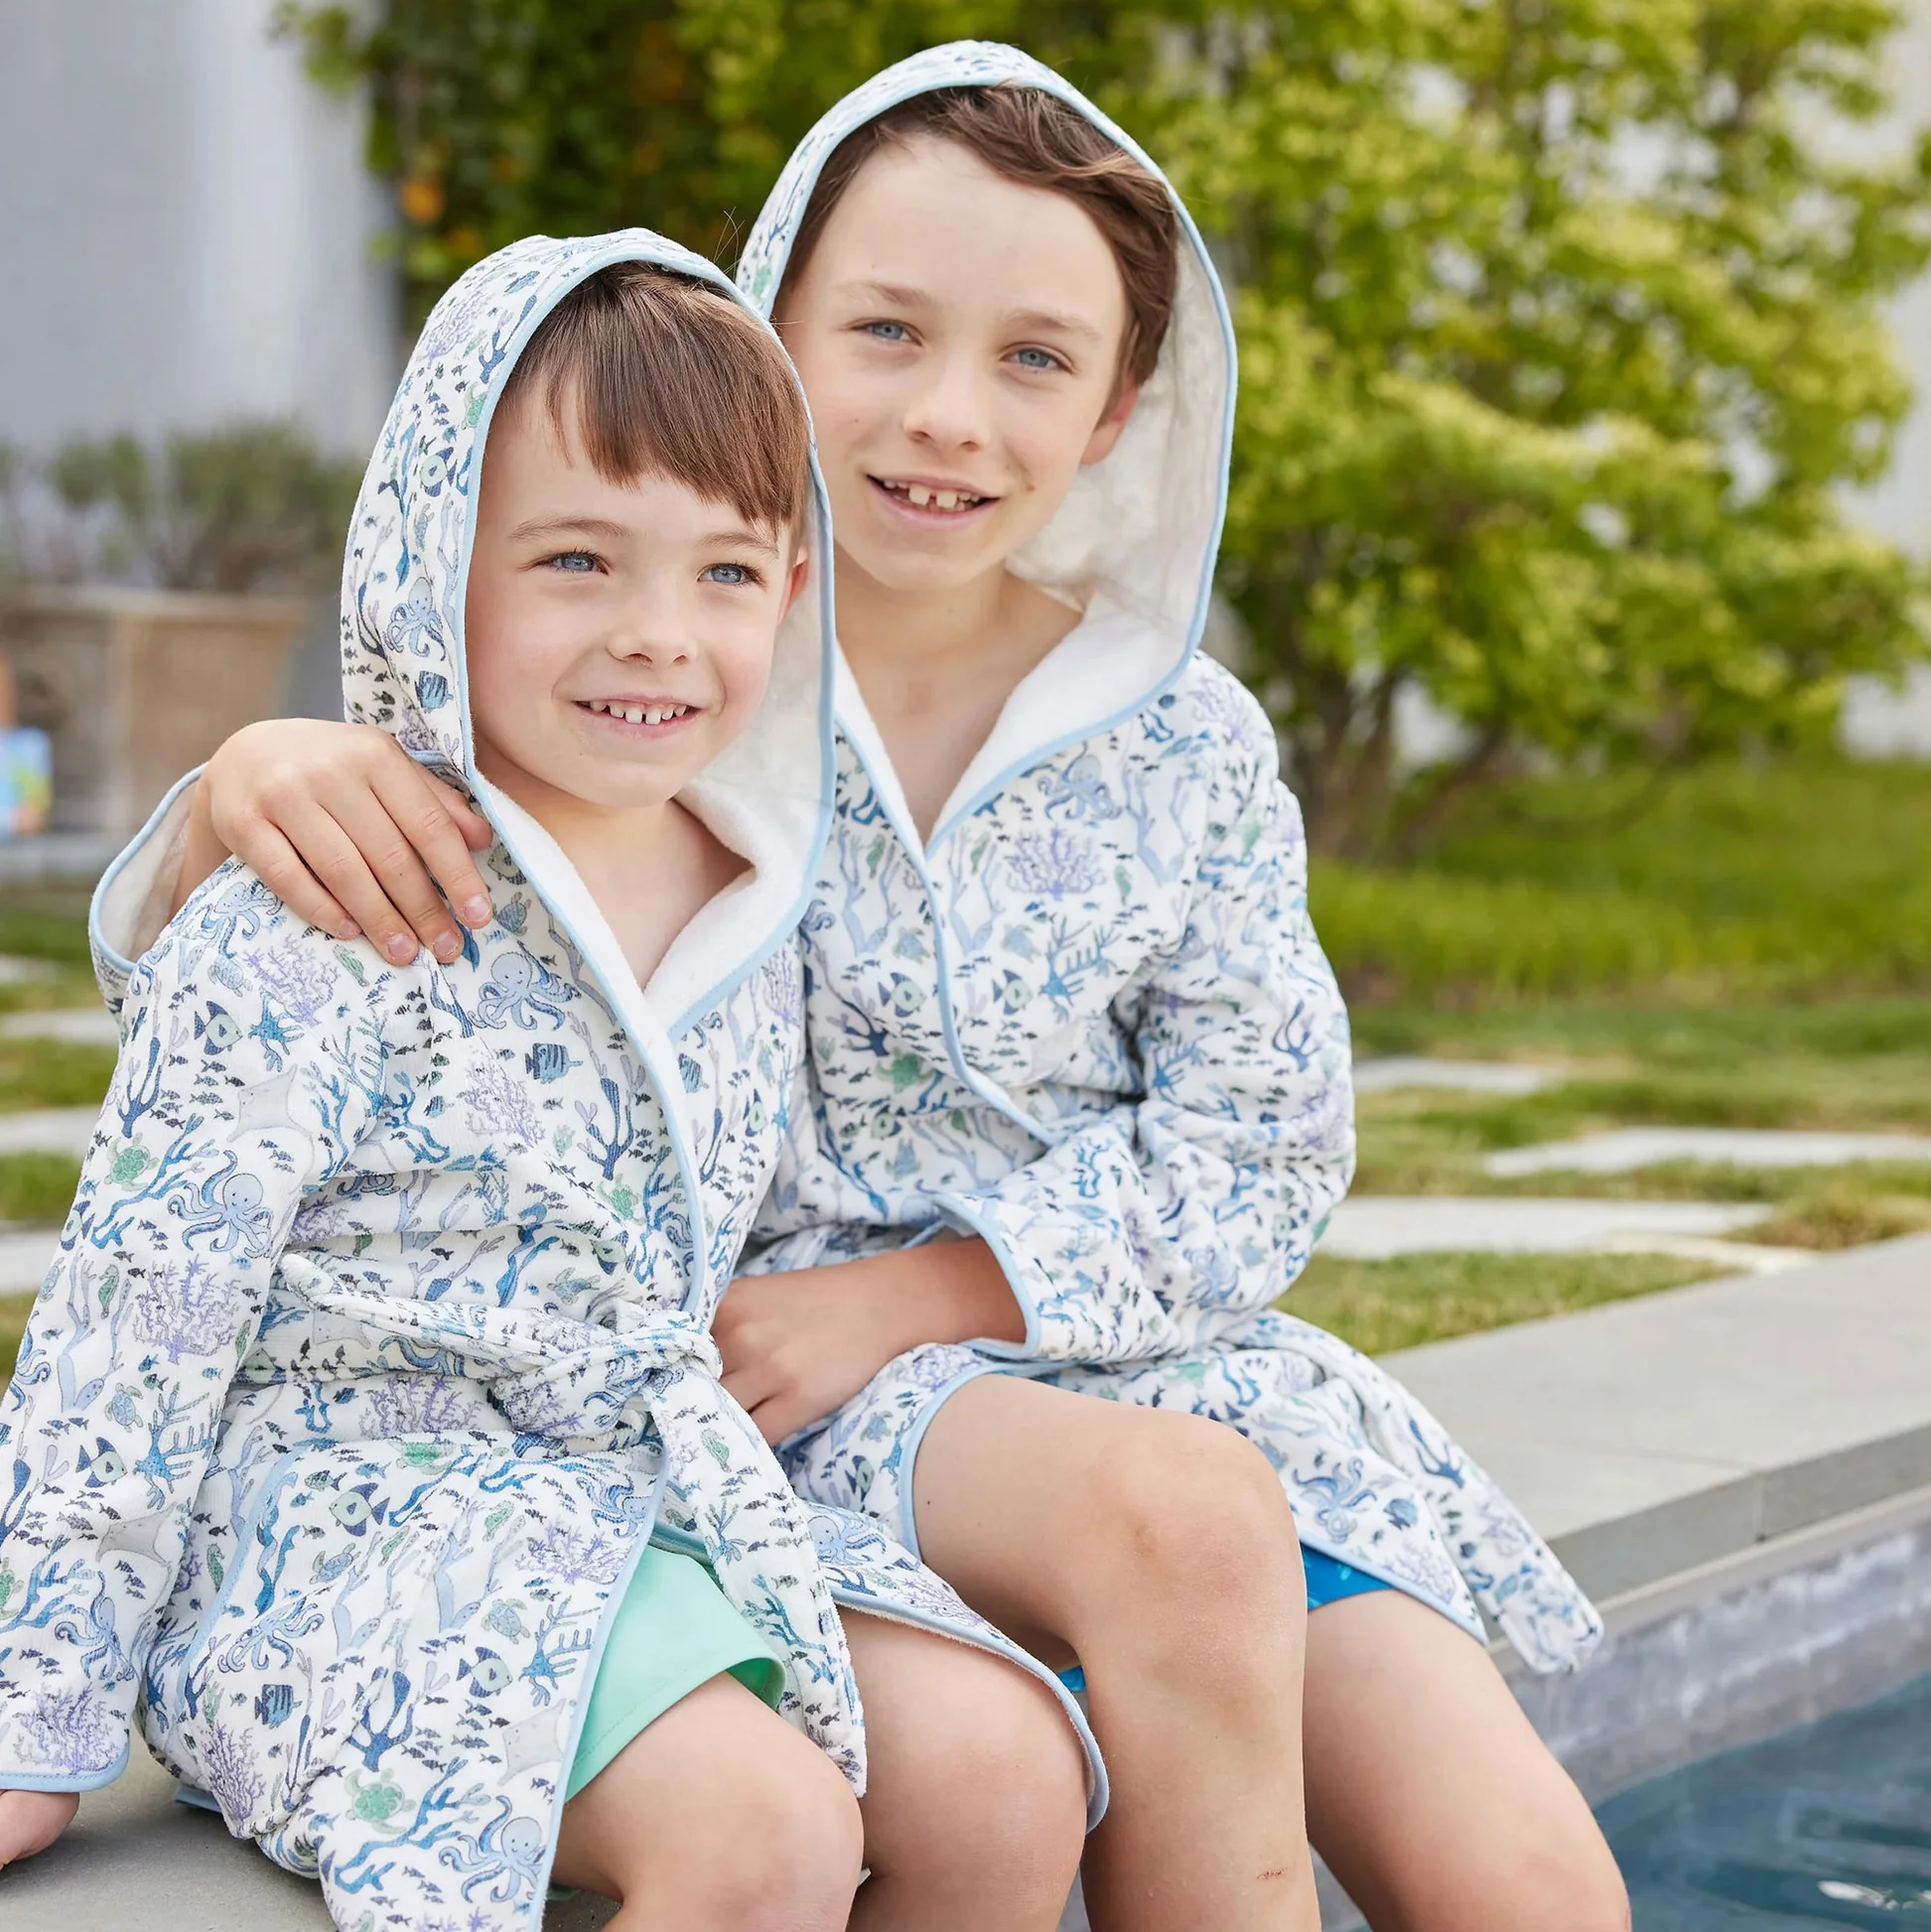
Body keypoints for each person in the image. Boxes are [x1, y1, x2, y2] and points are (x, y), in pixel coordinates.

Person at [86, 45, 1631, 1932]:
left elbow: (1268, 1134)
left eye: (1036, 358)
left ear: (1119, 403)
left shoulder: (1183, 742)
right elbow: (404, 933)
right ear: (768, 329)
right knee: (1168, 1531)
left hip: (1139, 1369)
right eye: (883, 331)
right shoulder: (661, 692)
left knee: (1534, 1882)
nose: (947, 416)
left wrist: (941, 1287)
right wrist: (229, 791)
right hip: (783, 1376)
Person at [0, 230, 1095, 1931]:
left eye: (726, 571)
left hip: (641, 1490)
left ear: (795, 586)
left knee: (1009, 1772)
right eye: (578, 559)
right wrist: (34, 1705)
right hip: (347, 1528)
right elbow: (130, 1325)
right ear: (439, 566)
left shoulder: (761, 900)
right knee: (761, 1835)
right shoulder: (321, 904)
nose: (658, 636)